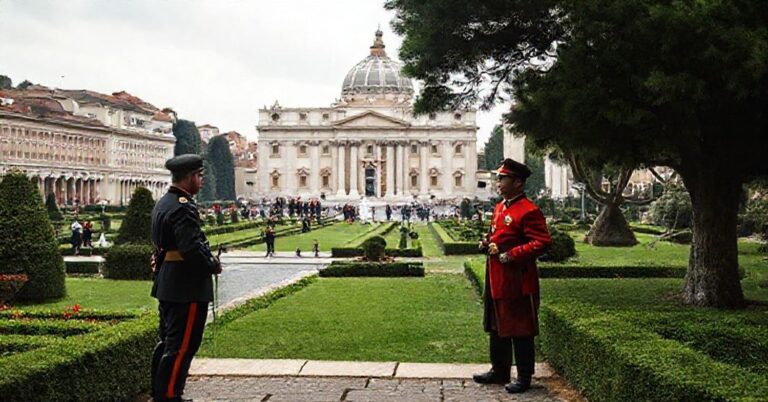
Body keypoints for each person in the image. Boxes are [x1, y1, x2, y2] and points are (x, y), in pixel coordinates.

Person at [473, 158, 552, 394]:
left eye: (503, 178)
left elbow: (542, 242)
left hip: (518, 278)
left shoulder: (529, 210)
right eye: (499, 178)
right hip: (497, 276)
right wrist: (487, 243)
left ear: (518, 182)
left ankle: (525, 376)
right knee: (497, 325)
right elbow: (498, 236)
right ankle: (500, 370)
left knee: (520, 328)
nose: (498, 182)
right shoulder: (501, 207)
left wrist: (512, 254)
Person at [149, 154, 222, 402]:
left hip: (168, 281)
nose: (201, 181)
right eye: (199, 176)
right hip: (186, 286)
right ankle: (169, 396)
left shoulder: (164, 202)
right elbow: (190, 248)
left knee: (168, 343)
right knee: (182, 346)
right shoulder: (183, 206)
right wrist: (211, 264)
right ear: (190, 176)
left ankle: (161, 392)